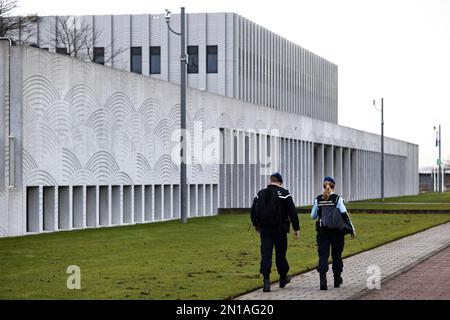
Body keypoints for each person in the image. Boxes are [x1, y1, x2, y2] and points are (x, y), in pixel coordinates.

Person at [250, 172, 300, 292]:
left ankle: (266, 281)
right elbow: (292, 212)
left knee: (266, 254)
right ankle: (283, 278)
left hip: (265, 230)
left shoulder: (260, 194)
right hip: (280, 230)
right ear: (280, 182)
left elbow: (253, 211)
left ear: (270, 180)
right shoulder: (284, 194)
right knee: (280, 254)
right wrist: (296, 228)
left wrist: (257, 225)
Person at [311, 176, 355, 290]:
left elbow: (313, 216)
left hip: (322, 232)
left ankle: (323, 281)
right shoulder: (337, 199)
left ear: (323, 186)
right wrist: (352, 229)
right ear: (333, 186)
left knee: (323, 256)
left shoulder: (318, 199)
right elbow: (345, 215)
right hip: (337, 232)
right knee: (337, 256)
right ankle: (337, 280)